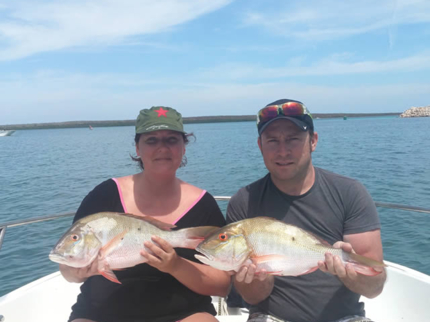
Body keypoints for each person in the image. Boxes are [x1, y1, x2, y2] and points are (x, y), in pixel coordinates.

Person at [59, 106, 231, 322]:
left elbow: (223, 284)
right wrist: (77, 272)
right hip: (101, 313)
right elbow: (66, 269)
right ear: (137, 148)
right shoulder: (104, 194)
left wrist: (175, 265)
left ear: (183, 147)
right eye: (152, 140)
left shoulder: (203, 204)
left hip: (182, 313)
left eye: (171, 140)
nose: (162, 148)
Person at [226, 99, 387, 322]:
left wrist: (349, 272)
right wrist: (256, 281)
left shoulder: (350, 192)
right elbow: (253, 297)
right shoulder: (244, 202)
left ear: (313, 141)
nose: (283, 151)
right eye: (272, 141)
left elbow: (374, 287)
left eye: (293, 139)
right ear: (260, 146)